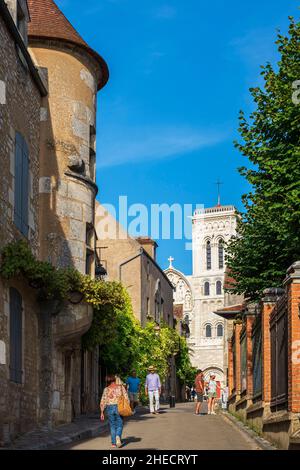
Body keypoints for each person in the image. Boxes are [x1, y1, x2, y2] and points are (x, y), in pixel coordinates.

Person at [100, 374, 129, 449]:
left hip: (109, 407)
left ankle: (113, 443)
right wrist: (127, 406)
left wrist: (102, 412)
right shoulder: (120, 387)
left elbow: (103, 401)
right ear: (114, 380)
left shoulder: (106, 389)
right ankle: (117, 436)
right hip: (119, 407)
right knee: (120, 424)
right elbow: (126, 397)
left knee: (112, 425)